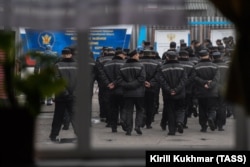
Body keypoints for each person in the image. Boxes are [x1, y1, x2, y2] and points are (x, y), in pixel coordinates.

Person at [49, 48, 78, 142]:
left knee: (58, 116)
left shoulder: (57, 65)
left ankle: (53, 135)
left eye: (67, 54)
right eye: (65, 54)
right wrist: (73, 93)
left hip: (61, 96)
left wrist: (65, 92)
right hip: (73, 96)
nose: (66, 55)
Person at [117, 50, 146, 136]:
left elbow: (119, 80)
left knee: (128, 110)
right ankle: (138, 126)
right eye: (137, 55)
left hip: (127, 93)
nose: (138, 56)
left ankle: (128, 129)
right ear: (135, 56)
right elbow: (142, 79)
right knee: (140, 109)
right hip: (139, 93)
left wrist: (127, 85)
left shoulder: (122, 66)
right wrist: (133, 85)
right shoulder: (141, 66)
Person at [158, 51, 187, 135]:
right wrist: (177, 89)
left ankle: (172, 130)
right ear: (176, 57)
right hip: (180, 93)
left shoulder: (162, 68)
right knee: (181, 109)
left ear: (167, 57)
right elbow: (184, 80)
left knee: (170, 111)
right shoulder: (182, 67)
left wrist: (170, 90)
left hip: (168, 94)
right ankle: (180, 122)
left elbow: (162, 81)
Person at [194, 50, 220, 132]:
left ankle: (203, 126)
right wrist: (210, 85)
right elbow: (216, 79)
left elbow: (195, 78)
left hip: (201, 92)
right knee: (212, 108)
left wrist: (204, 83)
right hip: (212, 92)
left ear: (200, 56)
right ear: (208, 55)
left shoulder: (196, 67)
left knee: (202, 109)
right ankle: (211, 118)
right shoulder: (215, 66)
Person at [103, 50, 127, 133]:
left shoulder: (106, 64)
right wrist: (115, 83)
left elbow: (103, 76)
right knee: (123, 107)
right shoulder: (125, 64)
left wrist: (109, 84)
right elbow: (123, 77)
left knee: (113, 109)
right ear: (120, 55)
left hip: (110, 90)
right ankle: (123, 121)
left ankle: (114, 127)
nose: (125, 56)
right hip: (122, 89)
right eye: (124, 55)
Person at [140, 49, 160, 129]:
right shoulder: (157, 64)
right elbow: (158, 75)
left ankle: (141, 120)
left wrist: (143, 82)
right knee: (151, 105)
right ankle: (149, 122)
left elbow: (137, 74)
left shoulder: (139, 63)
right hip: (152, 88)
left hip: (141, 87)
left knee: (141, 105)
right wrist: (150, 83)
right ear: (151, 55)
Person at [212, 51, 229, 131]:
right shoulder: (226, 66)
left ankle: (214, 123)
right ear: (221, 57)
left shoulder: (211, 66)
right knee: (222, 106)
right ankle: (221, 125)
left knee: (213, 106)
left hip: (213, 89)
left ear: (212, 58)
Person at [178, 50, 195, 128]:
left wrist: (180, 85)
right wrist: (186, 83)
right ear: (188, 56)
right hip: (188, 90)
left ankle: (176, 121)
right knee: (185, 107)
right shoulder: (192, 65)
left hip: (177, 89)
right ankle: (183, 123)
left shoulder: (176, 65)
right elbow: (193, 77)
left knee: (176, 106)